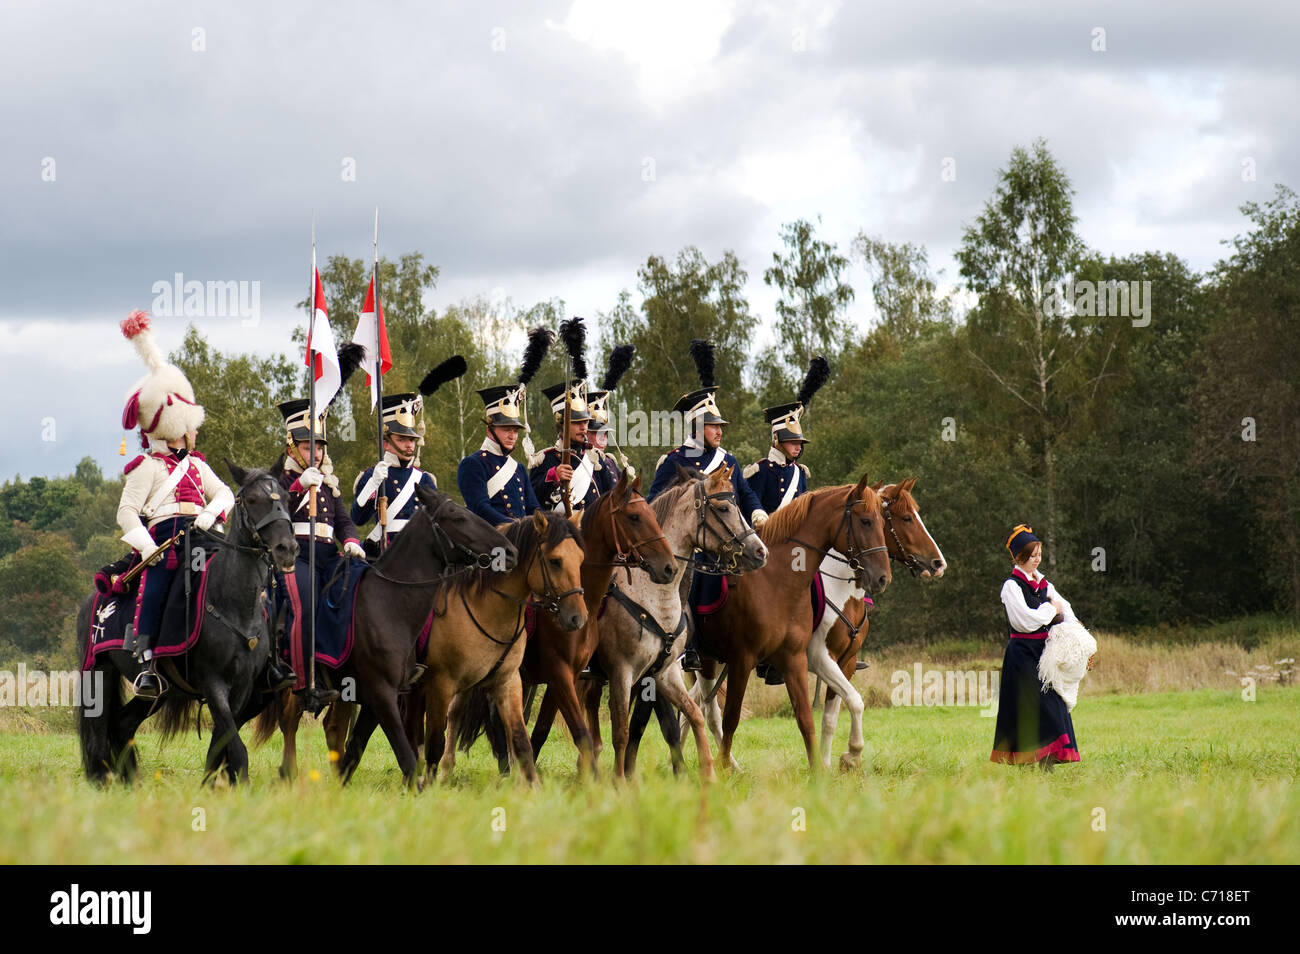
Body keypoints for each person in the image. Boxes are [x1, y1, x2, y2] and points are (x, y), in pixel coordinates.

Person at [115, 310, 235, 699]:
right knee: (157, 584)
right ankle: (147, 662)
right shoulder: (146, 467)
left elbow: (226, 495)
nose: (195, 429)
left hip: (205, 535)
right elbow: (126, 513)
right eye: (190, 422)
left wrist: (208, 513)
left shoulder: (199, 465)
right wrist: (147, 547)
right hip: (163, 540)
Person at [647, 340, 767, 671]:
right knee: (696, 575)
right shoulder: (674, 460)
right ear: (698, 428)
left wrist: (757, 511)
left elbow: (744, 493)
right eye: (714, 426)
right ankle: (693, 647)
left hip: (730, 538)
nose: (719, 432)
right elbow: (654, 502)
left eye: (720, 427)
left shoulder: (728, 459)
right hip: (689, 544)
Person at [274, 399, 365, 702]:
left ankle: (339, 666)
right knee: (308, 602)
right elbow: (275, 515)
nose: (315, 453)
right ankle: (303, 682)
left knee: (357, 591)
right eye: (307, 447)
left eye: (319, 447)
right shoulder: (280, 480)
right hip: (296, 556)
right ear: (291, 448)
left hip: (328, 554)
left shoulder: (328, 483)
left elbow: (343, 521)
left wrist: (351, 540)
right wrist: (299, 486)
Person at [990, 525, 1081, 768]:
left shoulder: (1043, 584)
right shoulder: (1011, 586)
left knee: (1053, 703)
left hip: (1045, 654)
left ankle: (1046, 762)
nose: (1036, 559)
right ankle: (1029, 760)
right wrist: (1051, 610)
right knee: (1031, 707)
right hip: (1022, 655)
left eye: (1039, 554)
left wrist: (1079, 635)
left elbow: (1066, 607)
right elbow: (1026, 620)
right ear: (1019, 557)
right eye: (1032, 555)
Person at [351, 392, 438, 557]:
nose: (409, 445)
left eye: (411, 440)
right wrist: (373, 484)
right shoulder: (372, 475)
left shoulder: (424, 478)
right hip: (386, 553)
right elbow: (358, 518)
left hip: (421, 551)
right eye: (402, 439)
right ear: (386, 443)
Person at [457, 383, 540, 526]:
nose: (512, 436)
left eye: (515, 431)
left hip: (521, 539)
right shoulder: (473, 464)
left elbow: (533, 507)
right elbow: (480, 509)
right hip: (489, 540)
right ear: (490, 430)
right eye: (507, 429)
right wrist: (516, 528)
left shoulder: (518, 468)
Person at [530, 380, 600, 513]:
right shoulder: (544, 459)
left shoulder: (594, 459)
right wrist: (553, 476)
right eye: (576, 422)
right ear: (561, 424)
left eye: (585, 422)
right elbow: (532, 503)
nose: (583, 427)